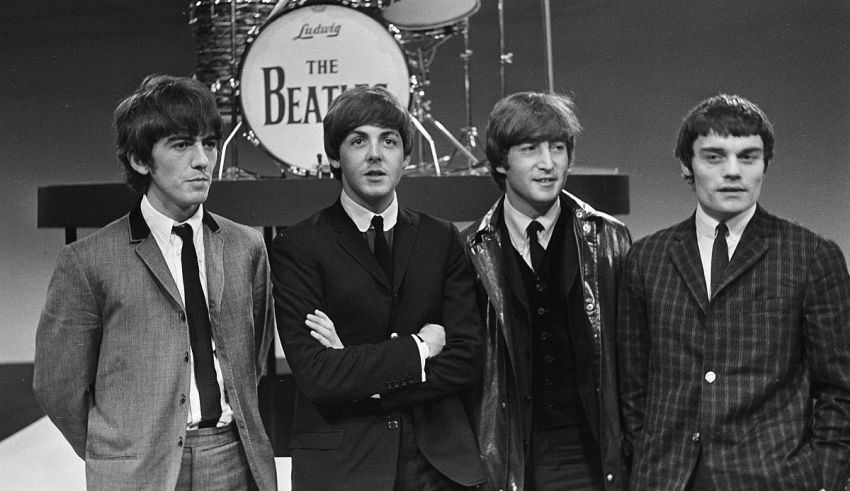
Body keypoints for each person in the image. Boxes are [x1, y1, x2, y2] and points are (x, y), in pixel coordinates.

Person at [33, 74, 277, 490]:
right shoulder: (88, 261)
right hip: (137, 470)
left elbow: (252, 358)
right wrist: (116, 451)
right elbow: (59, 386)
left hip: (232, 460)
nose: (202, 160)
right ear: (140, 160)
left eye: (209, 144)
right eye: (182, 145)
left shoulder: (246, 246)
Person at [618, 93, 850, 489]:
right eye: (714, 156)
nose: (733, 171)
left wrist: (823, 479)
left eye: (748, 157)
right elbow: (633, 386)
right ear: (686, 167)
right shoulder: (646, 257)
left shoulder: (811, 254)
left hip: (773, 478)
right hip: (667, 478)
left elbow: (839, 390)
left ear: (764, 165)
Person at [270, 86, 485, 490]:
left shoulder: (443, 240)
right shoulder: (297, 247)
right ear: (335, 155)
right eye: (358, 141)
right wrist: (420, 349)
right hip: (344, 467)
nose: (375, 154)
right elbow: (317, 375)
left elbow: (466, 360)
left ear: (405, 156)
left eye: (389, 141)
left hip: (440, 466)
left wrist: (360, 379)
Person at [463, 91, 632, 490]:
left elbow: (633, 356)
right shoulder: (472, 249)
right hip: (510, 457)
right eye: (530, 149)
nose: (548, 163)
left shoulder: (610, 238)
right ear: (502, 161)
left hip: (592, 455)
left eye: (558, 148)